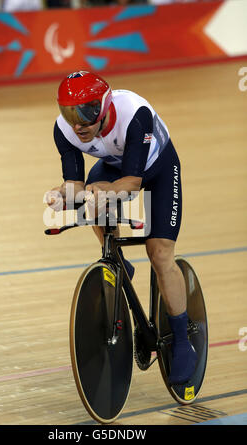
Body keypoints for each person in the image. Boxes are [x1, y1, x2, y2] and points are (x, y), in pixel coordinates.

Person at [46, 70, 197, 385]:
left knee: (159, 254)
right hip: (117, 168)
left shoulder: (134, 114)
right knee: (89, 193)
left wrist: (98, 192)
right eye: (68, 112)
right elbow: (74, 184)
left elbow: (132, 184)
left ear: (104, 105)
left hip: (157, 170)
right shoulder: (65, 131)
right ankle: (121, 262)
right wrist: (61, 195)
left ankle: (183, 341)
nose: (77, 123)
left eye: (85, 112)